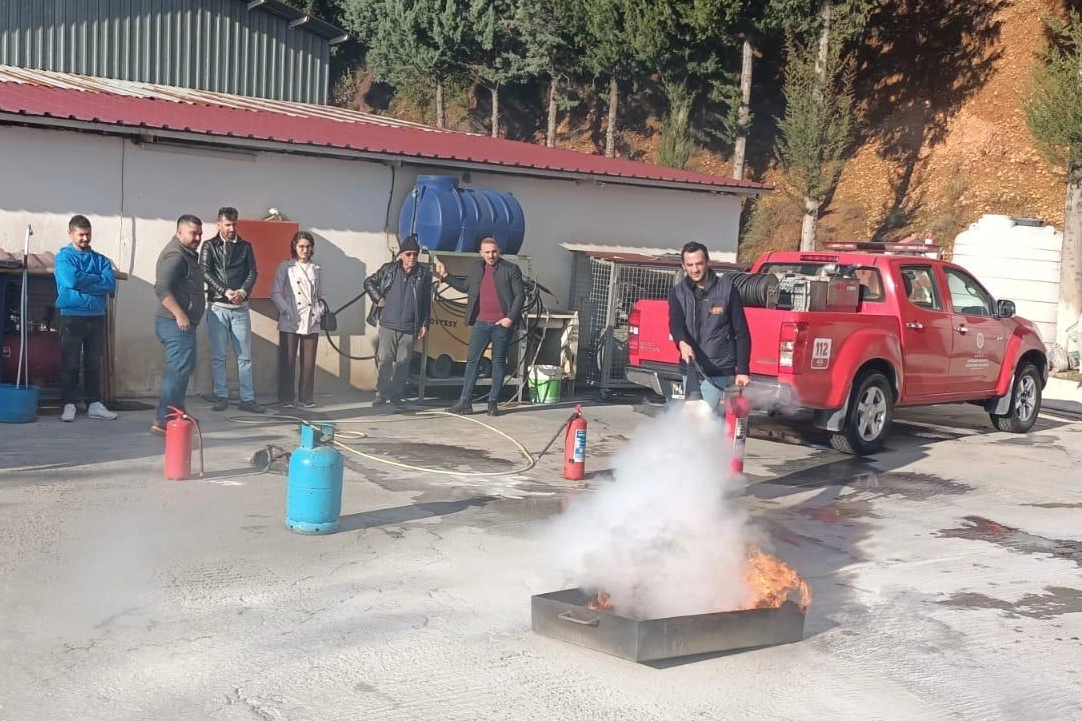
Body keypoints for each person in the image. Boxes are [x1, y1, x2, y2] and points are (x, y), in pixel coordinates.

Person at [434, 237, 524, 417]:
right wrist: (445, 276)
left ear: (498, 251)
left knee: (498, 363)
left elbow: (520, 296)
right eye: (487, 252)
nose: (491, 255)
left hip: (501, 324)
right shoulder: (477, 268)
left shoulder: (510, 269)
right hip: (481, 323)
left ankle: (492, 403)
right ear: (481, 253)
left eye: (494, 251)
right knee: (472, 361)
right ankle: (465, 402)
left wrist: (509, 318)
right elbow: (465, 287)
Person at [668, 241, 751, 411]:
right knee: (692, 417)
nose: (695, 269)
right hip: (690, 367)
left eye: (699, 263)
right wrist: (682, 342)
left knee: (703, 414)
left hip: (718, 369)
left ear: (707, 262)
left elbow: (741, 332)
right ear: (683, 266)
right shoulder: (678, 292)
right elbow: (675, 322)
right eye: (690, 265)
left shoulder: (727, 290)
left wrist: (743, 369)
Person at [52, 214, 118, 422]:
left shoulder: (101, 259)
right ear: (70, 234)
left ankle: (94, 404)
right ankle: (68, 403)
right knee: (70, 363)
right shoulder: (63, 257)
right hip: (71, 316)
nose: (85, 239)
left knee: (93, 363)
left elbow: (109, 284)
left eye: (88, 234)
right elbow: (70, 280)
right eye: (81, 235)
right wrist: (95, 279)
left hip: (97, 316)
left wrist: (84, 281)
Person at [199, 206, 263, 413]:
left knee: (244, 356)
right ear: (219, 224)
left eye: (234, 224)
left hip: (241, 308)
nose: (231, 228)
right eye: (227, 225)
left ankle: (248, 399)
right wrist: (226, 291)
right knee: (218, 355)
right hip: (218, 307)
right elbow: (205, 271)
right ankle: (221, 396)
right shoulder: (209, 246)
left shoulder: (245, 246)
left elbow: (253, 271)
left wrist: (243, 292)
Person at [363, 235, 433, 409]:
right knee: (385, 361)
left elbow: (426, 302)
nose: (412, 258)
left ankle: (396, 395)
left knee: (402, 363)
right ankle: (381, 394)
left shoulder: (423, 275)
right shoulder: (389, 270)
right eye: (408, 254)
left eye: (415, 254)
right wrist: (378, 297)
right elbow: (368, 282)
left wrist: (425, 324)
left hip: (409, 327)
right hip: (388, 324)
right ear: (401, 255)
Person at [152, 215, 206, 435]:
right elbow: (161, 288)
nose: (198, 238)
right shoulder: (175, 256)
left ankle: (177, 412)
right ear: (180, 232)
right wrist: (179, 314)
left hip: (182, 324)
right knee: (177, 371)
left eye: (200, 233)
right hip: (174, 323)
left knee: (183, 369)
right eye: (193, 233)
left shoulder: (187, 255)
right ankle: (164, 420)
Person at [272, 231, 326, 408]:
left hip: (311, 319)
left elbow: (322, 294)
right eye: (301, 246)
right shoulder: (286, 267)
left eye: (308, 247)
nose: (304, 250)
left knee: (309, 361)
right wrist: (286, 309)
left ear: (312, 249)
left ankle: (305, 397)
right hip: (290, 318)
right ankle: (286, 398)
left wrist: (320, 309)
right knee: (287, 361)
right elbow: (275, 292)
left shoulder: (316, 269)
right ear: (294, 247)